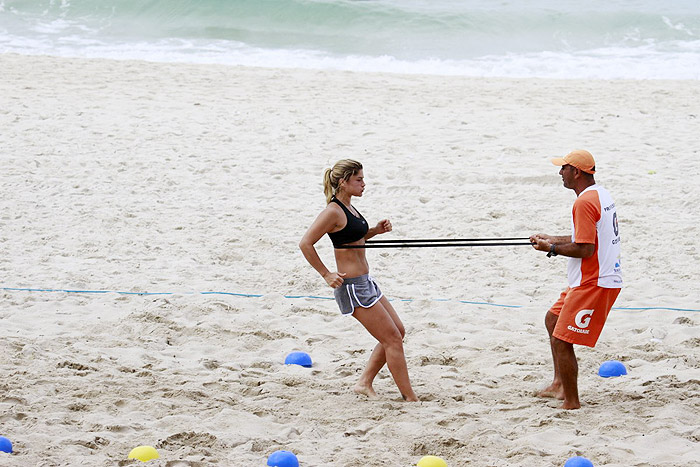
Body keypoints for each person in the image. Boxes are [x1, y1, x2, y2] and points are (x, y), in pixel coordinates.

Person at [299, 159, 418, 402]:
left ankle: (364, 383)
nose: (364, 184)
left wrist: (374, 231)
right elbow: (305, 243)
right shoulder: (332, 211)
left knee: (398, 332)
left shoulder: (349, 207)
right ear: (343, 182)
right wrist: (326, 273)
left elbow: (353, 237)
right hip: (353, 287)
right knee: (392, 339)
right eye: (359, 179)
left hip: (366, 282)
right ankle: (410, 398)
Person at [530, 149, 622, 410]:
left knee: (562, 339)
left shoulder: (583, 202)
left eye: (564, 168)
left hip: (595, 281)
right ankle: (559, 384)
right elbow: (584, 238)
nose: (560, 173)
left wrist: (550, 249)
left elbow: (585, 249)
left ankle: (571, 401)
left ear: (577, 172)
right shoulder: (599, 194)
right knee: (552, 319)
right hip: (588, 278)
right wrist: (552, 239)